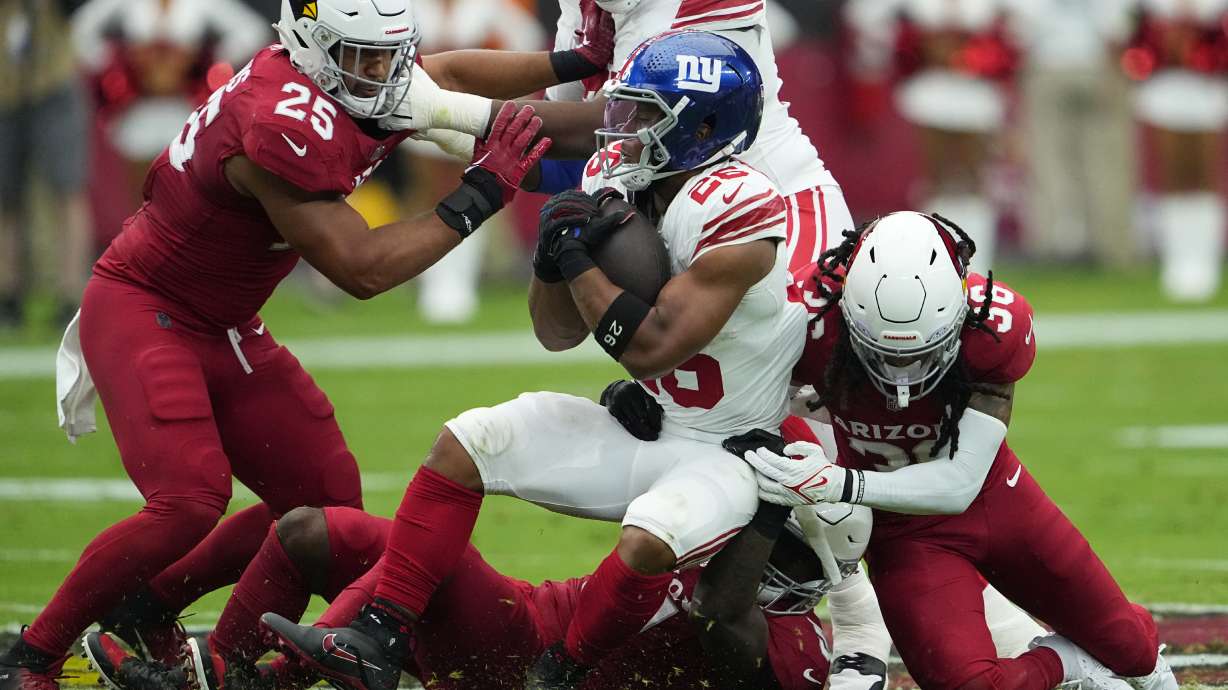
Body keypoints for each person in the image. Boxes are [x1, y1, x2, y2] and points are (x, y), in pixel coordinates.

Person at [0, 0, 557, 686]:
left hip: (225, 320)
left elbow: (446, 71)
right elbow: (361, 268)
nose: (385, 73)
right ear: (313, 46)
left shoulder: (345, 74)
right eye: (365, 57)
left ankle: (201, 647)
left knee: (325, 501)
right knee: (188, 501)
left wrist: (574, 63)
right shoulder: (279, 119)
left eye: (390, 53)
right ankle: (33, 652)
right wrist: (481, 191)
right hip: (148, 306)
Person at [259, 30, 811, 690]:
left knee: (649, 538)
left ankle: (561, 673)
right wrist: (554, 253)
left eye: (645, 114)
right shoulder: (617, 176)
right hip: (654, 425)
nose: (623, 127)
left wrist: (579, 260)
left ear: (704, 127)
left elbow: (657, 344)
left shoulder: (740, 204)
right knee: (470, 441)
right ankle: (377, 635)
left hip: (727, 452)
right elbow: (553, 332)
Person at [733, 211, 1178, 690]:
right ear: (847, 314)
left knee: (1131, 648)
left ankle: (1135, 661)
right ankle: (1069, 664)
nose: (901, 375)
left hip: (996, 501)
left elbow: (960, 485)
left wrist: (839, 481)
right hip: (904, 534)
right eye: (883, 353)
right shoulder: (812, 318)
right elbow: (738, 394)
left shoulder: (995, 329)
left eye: (920, 353)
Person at [86, 499, 891, 690]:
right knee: (305, 528)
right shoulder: (719, 523)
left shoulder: (797, 641)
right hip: (511, 616)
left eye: (769, 526)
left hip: (522, 659)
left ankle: (241, 678)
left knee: (424, 549)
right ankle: (221, 665)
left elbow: (726, 626)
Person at [844, 0, 1023, 272]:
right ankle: (933, 256)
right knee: (934, 180)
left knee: (973, 181)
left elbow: (1021, 21)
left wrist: (985, 48)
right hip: (927, 94)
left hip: (977, 95)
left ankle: (976, 258)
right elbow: (866, 15)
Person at [1123, 0, 1228, 301]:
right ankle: (1178, 260)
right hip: (1165, 89)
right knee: (1174, 180)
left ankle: (1205, 260)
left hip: (1208, 90)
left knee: (1205, 178)